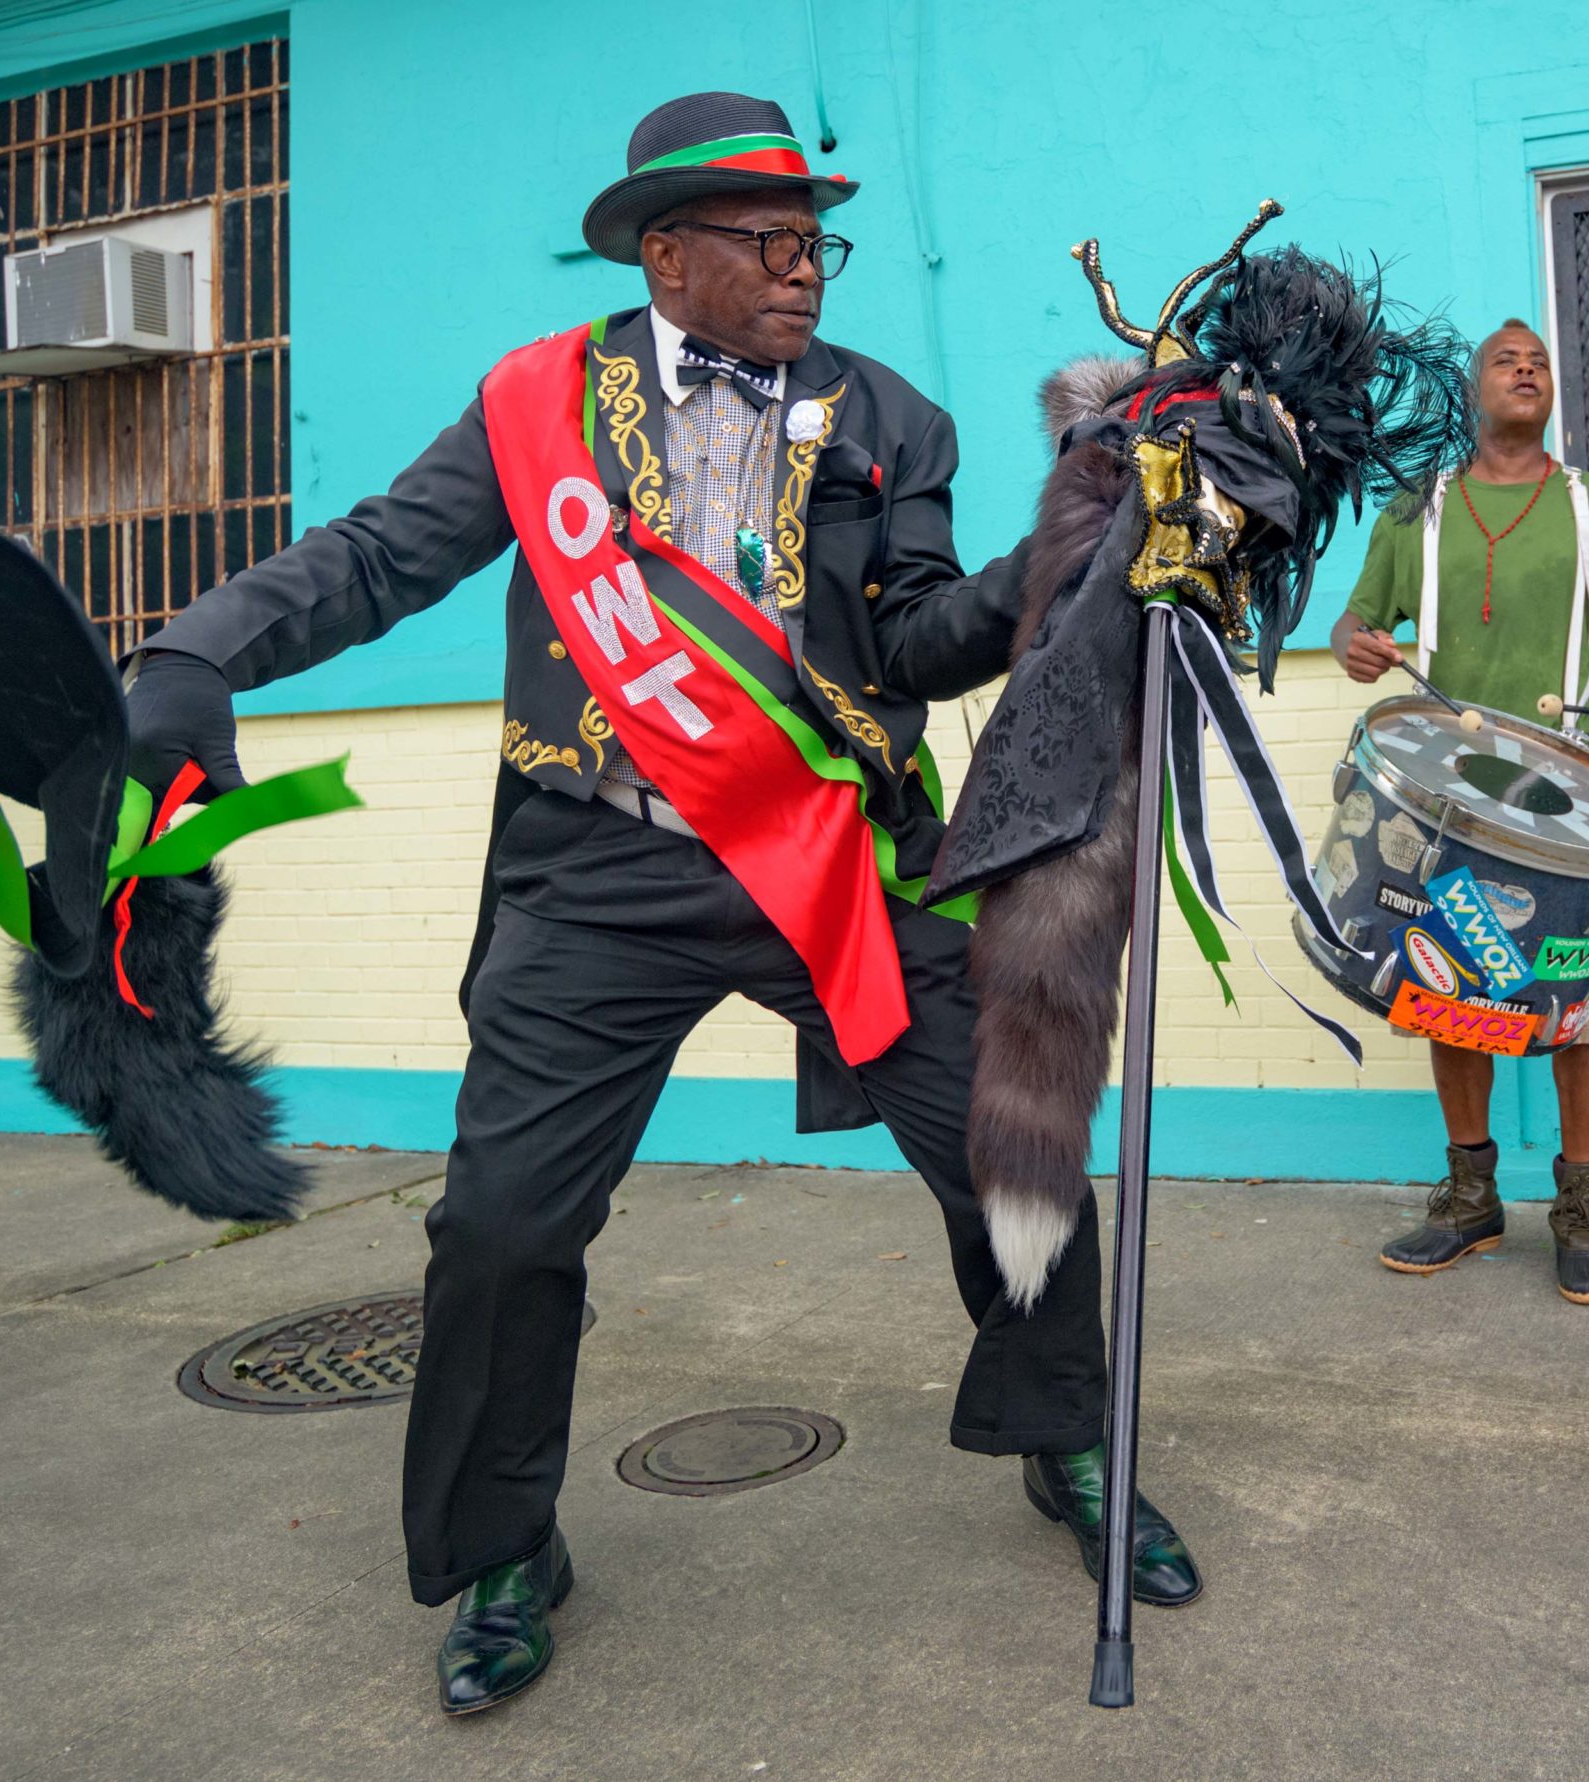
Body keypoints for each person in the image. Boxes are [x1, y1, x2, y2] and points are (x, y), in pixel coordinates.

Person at [120, 91, 1200, 1717]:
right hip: (597, 865)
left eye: (814, 240)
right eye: (767, 243)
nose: (805, 271)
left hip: (824, 849)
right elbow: (373, 559)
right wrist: (196, 647)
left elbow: (916, 641)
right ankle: (503, 1546)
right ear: (666, 252)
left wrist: (1085, 541)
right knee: (499, 1225)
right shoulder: (539, 406)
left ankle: (1068, 1440)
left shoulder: (890, 413)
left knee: (1013, 1141)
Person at [1331, 319, 1589, 1307]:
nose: (1526, 367)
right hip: (1457, 800)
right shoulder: (1418, 509)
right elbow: (1356, 621)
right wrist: (1358, 643)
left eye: (1539, 359)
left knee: (1582, 1009)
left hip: (1576, 801)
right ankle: (1468, 1198)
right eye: (1505, 358)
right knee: (1448, 987)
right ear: (1474, 388)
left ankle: (1579, 1212)